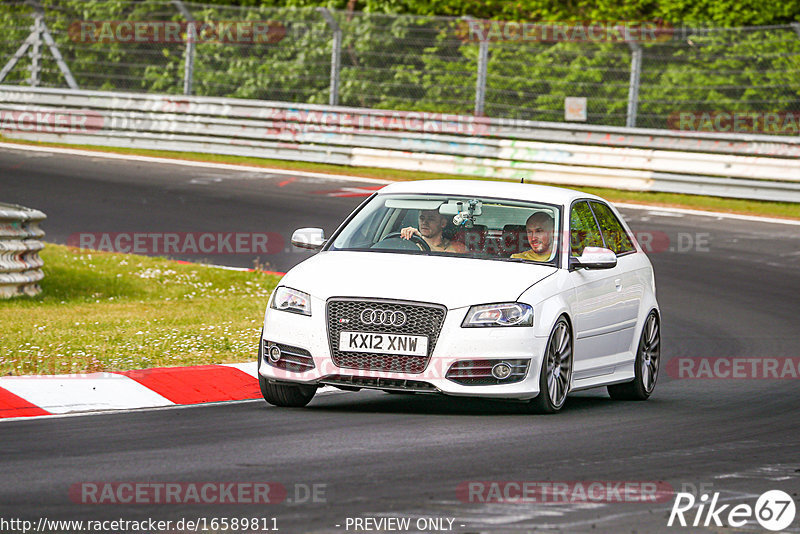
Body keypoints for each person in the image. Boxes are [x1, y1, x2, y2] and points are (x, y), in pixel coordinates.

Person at [400, 209, 466, 253]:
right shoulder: (410, 244)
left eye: (430, 219)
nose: (424, 222)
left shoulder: (457, 247)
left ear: (443, 223)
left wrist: (421, 239)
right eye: (422, 218)